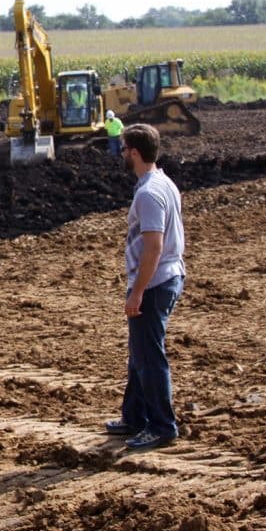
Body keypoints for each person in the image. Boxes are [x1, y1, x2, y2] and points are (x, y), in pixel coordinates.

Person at [105, 124, 186, 450]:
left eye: (124, 149)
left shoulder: (149, 193)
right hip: (166, 277)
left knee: (150, 358)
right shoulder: (164, 183)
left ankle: (162, 426)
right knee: (140, 353)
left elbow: (154, 246)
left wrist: (137, 291)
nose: (122, 154)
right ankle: (134, 416)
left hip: (155, 283)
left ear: (135, 153)